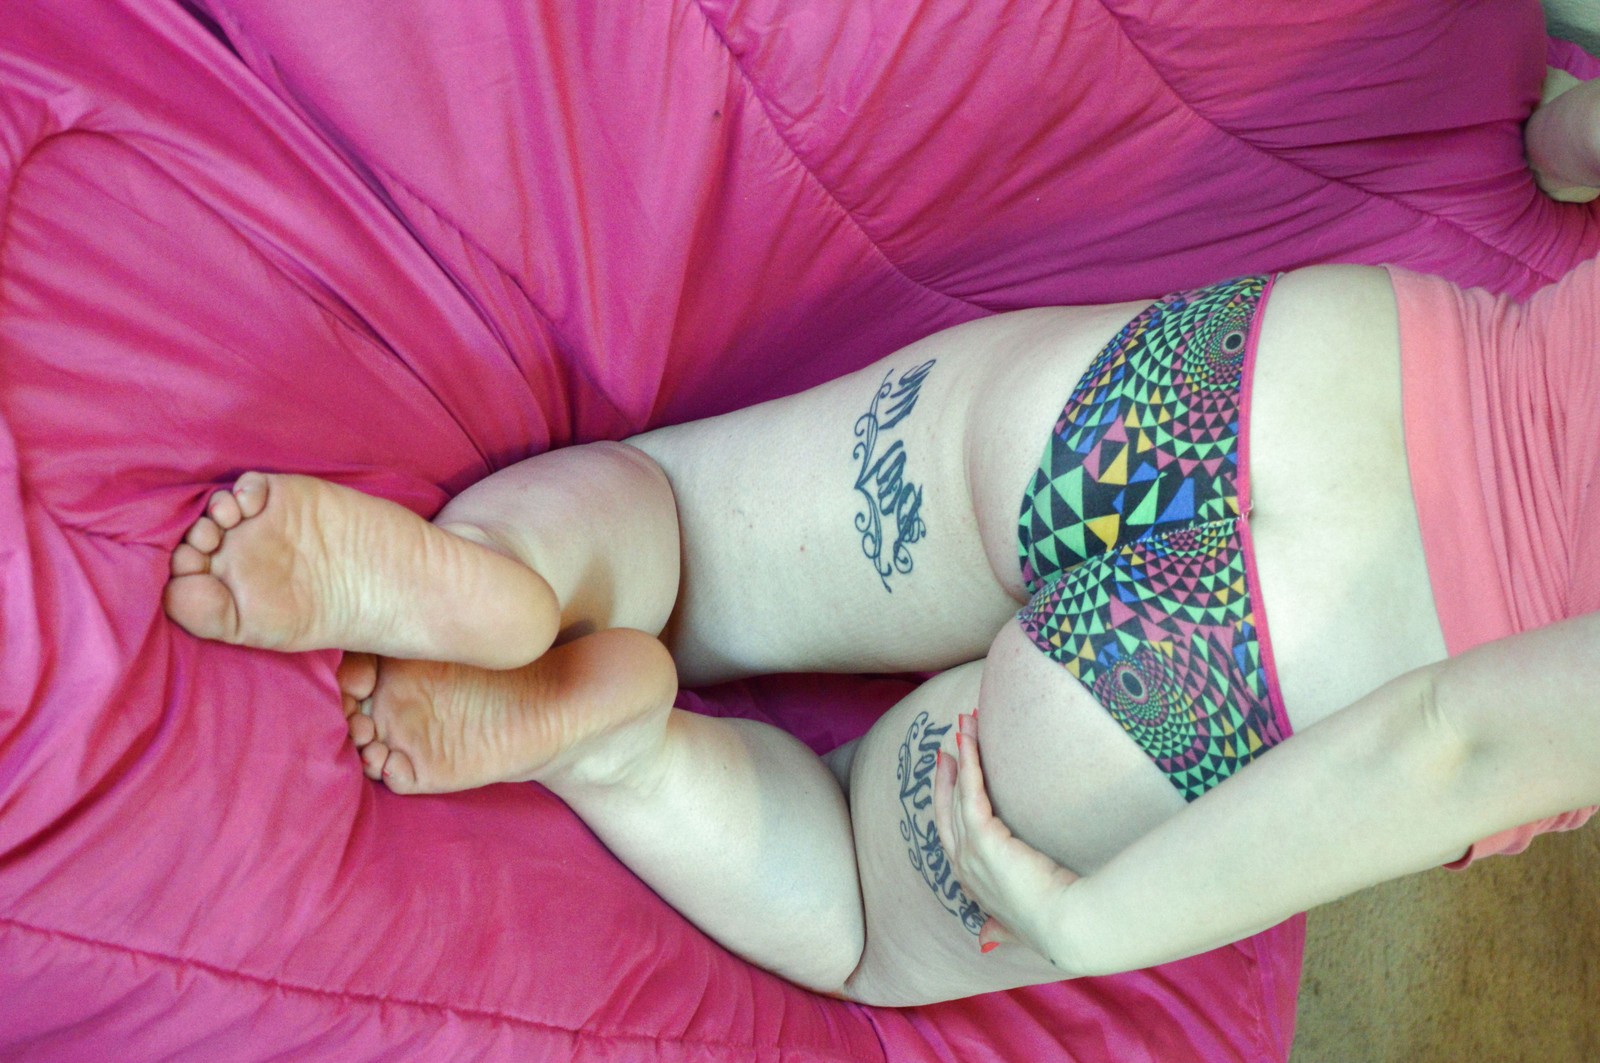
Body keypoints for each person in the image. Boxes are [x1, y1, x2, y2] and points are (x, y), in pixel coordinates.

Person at [164, 86, 1600, 1007]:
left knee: (679, 512)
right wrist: (1102, 927)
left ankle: (516, 578)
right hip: (1262, 687)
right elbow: (1453, 739)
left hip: (1251, 392)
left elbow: (1564, 146)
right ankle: (616, 748)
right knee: (857, 902)